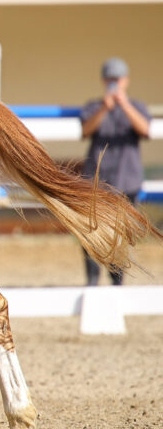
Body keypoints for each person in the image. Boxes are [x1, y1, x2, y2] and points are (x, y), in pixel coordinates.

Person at [79, 57, 151, 285]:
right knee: (90, 232)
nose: (114, 84)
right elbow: (85, 130)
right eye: (110, 79)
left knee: (121, 237)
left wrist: (124, 105)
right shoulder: (93, 106)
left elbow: (145, 130)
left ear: (126, 81)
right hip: (96, 180)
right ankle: (91, 282)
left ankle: (116, 284)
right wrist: (105, 108)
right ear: (103, 81)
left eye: (118, 79)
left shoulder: (137, 106)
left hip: (126, 181)